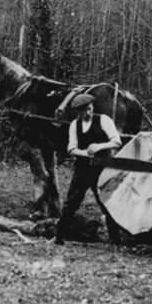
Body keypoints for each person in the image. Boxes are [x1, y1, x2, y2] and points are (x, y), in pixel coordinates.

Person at [55, 93, 123, 245]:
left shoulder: (103, 120)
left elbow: (116, 141)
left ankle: (116, 240)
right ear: (78, 112)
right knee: (72, 201)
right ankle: (59, 236)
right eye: (83, 111)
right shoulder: (75, 124)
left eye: (89, 109)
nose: (88, 113)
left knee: (106, 202)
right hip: (83, 168)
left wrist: (100, 146)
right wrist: (85, 153)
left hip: (101, 168)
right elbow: (71, 149)